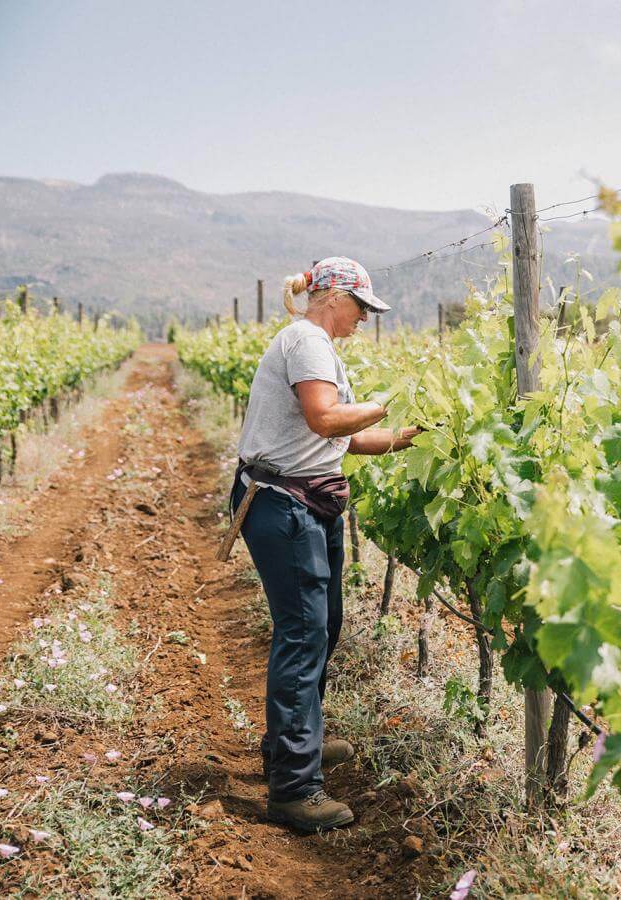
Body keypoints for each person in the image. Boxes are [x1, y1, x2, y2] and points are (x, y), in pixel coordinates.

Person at [230, 256, 418, 832]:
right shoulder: (307, 341)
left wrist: (408, 438)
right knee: (303, 632)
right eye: (362, 307)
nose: (365, 318)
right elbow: (324, 419)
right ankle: (293, 788)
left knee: (321, 625)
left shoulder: (318, 346)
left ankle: (293, 742)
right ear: (333, 297)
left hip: (306, 502)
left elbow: (349, 437)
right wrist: (392, 397)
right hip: (285, 507)